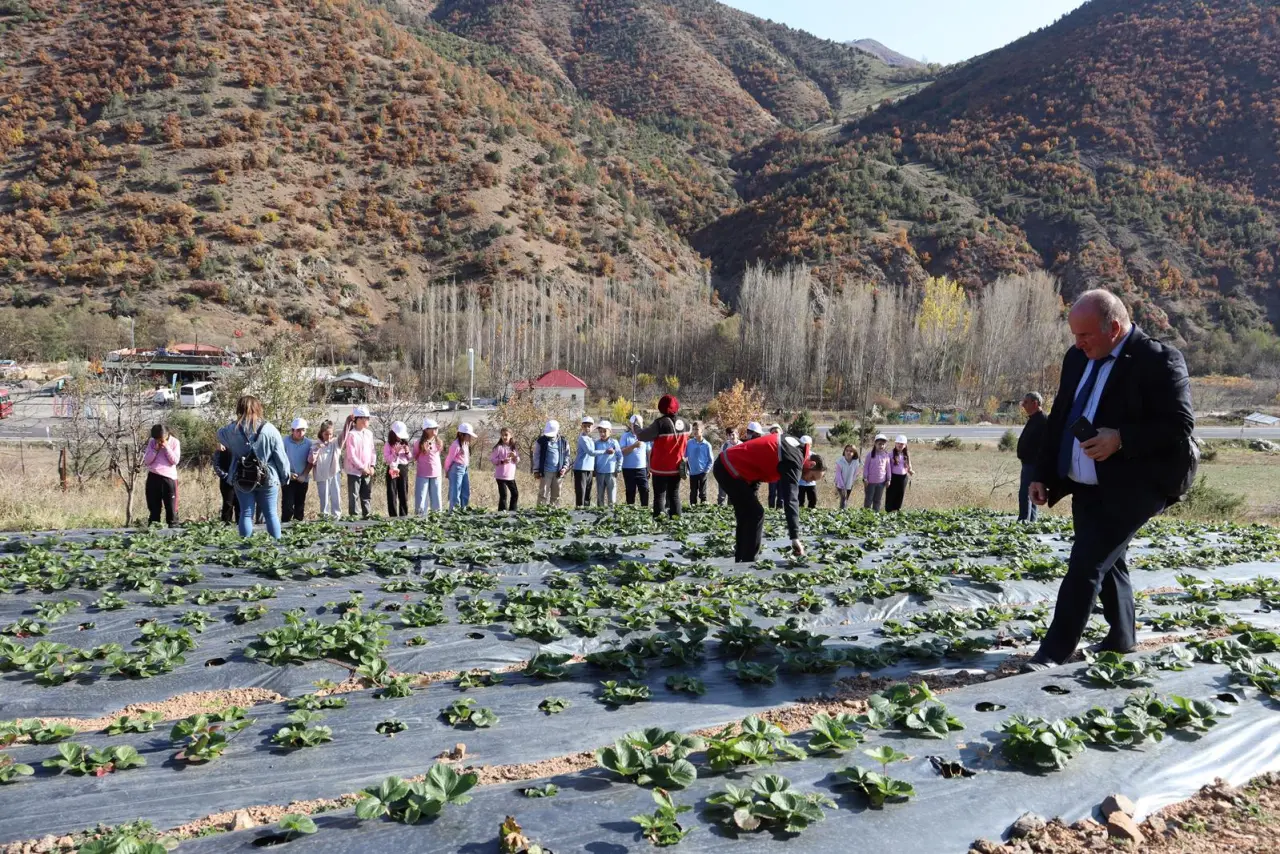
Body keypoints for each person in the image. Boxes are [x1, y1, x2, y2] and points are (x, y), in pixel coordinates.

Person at [1022, 290, 1196, 673]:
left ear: (1114, 328)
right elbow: (1061, 416)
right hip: (1086, 484)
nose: (1078, 343)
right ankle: (1122, 636)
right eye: (1074, 335)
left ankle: (1054, 652)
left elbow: (1180, 425)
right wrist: (1043, 475)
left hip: (1135, 486)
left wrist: (1121, 437)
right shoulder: (1076, 359)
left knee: (1086, 563)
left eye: (1085, 336)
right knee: (1110, 562)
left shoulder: (1158, 360)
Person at [713, 431, 826, 562]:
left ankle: (741, 559)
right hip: (728, 469)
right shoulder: (794, 460)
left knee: (746, 515)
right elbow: (791, 498)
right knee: (756, 513)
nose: (808, 481)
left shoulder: (793, 445)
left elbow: (760, 466)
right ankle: (748, 563)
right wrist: (794, 537)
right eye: (811, 477)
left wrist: (753, 492)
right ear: (811, 464)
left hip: (728, 467)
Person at [217, 394, 290, 539]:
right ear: (258, 408)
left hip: (242, 476)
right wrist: (284, 477)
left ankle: (246, 549)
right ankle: (277, 548)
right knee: (271, 514)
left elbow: (219, 434)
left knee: (246, 513)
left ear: (239, 409)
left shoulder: (231, 430)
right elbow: (281, 457)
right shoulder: (270, 429)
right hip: (268, 476)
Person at [631, 394, 690, 519]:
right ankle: (676, 520)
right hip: (677, 466)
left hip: (660, 467)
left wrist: (636, 426)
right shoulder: (686, 423)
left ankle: (659, 521)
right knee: (674, 494)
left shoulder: (660, 423)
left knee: (659, 495)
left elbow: (642, 436)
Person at [1016, 392, 1048, 523]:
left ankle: (1024, 520)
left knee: (1026, 493)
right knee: (1029, 492)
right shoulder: (1033, 419)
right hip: (1027, 463)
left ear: (1035, 403)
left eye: (1026, 402)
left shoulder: (1043, 420)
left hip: (1034, 463)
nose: (1023, 405)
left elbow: (1045, 444)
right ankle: (1030, 521)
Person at [341, 406, 376, 519]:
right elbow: (351, 456)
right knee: (354, 495)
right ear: (359, 419)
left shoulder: (369, 434)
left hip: (367, 470)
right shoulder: (352, 434)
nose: (368, 421)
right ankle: (354, 518)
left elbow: (372, 451)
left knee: (366, 495)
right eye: (366, 418)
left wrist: (372, 466)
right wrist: (362, 468)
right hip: (354, 471)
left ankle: (367, 516)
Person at [143, 423, 180, 527]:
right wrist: (155, 449)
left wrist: (167, 448)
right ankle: (154, 528)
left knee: (171, 508)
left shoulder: (174, 442)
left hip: (169, 478)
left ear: (167, 434)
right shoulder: (152, 442)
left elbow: (175, 461)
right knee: (154, 507)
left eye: (161, 439)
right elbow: (147, 461)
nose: (159, 441)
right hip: (154, 476)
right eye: (157, 439)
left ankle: (173, 528)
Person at [308, 420, 342, 520]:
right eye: (326, 434)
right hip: (322, 475)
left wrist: (349, 421)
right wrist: (317, 449)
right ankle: (324, 517)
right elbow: (311, 461)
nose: (328, 436)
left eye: (330, 434)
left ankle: (337, 517)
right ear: (321, 433)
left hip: (334, 473)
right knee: (324, 497)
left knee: (336, 495)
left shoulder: (335, 443)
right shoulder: (316, 444)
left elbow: (344, 435)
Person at [281, 418, 313, 523]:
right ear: (292, 430)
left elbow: (311, 461)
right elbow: (280, 459)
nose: (301, 433)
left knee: (300, 507)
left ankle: (297, 531)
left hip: (302, 479)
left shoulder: (309, 443)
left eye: (303, 430)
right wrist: (288, 473)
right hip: (288, 479)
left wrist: (304, 475)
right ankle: (284, 530)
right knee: (287, 507)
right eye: (298, 430)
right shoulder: (284, 442)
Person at [532, 420, 570, 506]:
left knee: (556, 495)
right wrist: (536, 470)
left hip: (558, 472)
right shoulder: (541, 441)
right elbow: (536, 456)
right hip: (545, 472)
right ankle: (541, 512)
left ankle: (554, 513)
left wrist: (564, 468)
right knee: (543, 494)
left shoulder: (564, 442)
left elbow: (567, 456)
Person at [619, 414, 652, 506]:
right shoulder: (625, 436)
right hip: (628, 469)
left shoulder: (645, 437)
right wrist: (634, 446)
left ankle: (644, 510)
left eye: (639, 424)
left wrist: (649, 467)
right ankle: (630, 512)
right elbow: (623, 452)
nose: (637, 426)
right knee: (630, 491)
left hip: (642, 468)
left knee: (645, 489)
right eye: (635, 424)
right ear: (631, 425)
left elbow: (649, 452)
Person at [572, 416, 604, 508]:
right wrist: (605, 451)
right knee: (581, 491)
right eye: (585, 426)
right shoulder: (582, 438)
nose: (587, 428)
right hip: (581, 468)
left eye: (589, 426)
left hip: (589, 468)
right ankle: (579, 511)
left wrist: (593, 468)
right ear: (582, 426)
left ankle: (586, 511)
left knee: (588, 491)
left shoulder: (589, 438)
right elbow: (590, 452)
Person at [383, 421, 412, 517]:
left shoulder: (404, 442)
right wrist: (395, 452)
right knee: (392, 492)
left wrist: (407, 452)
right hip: (393, 467)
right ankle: (393, 516)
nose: (400, 437)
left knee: (403, 492)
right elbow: (388, 459)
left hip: (403, 468)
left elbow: (409, 458)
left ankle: (404, 515)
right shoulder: (388, 444)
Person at [414, 418, 443, 515]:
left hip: (436, 473)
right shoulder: (418, 443)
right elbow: (415, 456)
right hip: (423, 473)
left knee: (436, 497)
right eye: (433, 428)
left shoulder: (439, 442)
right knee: (421, 497)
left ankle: (437, 516)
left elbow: (438, 452)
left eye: (436, 428)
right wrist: (424, 451)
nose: (435, 430)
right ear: (426, 430)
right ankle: (420, 517)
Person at [444, 423, 475, 510]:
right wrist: (447, 470)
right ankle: (454, 512)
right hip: (456, 468)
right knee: (456, 491)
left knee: (465, 491)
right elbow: (449, 459)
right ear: (461, 434)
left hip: (464, 468)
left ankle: (463, 509)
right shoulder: (455, 445)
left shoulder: (465, 443)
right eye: (468, 435)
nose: (470, 438)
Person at [491, 427, 521, 511]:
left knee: (515, 494)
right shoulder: (498, 447)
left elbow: (517, 460)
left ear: (511, 436)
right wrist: (502, 461)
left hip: (510, 476)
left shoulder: (513, 448)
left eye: (506, 435)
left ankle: (512, 512)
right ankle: (501, 514)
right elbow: (493, 459)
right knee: (503, 495)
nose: (504, 437)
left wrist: (514, 456)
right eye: (502, 435)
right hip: (500, 476)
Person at [594, 420, 622, 507]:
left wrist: (618, 468)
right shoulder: (596, 443)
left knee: (612, 497)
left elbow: (620, 456)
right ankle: (599, 515)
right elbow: (594, 456)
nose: (602, 433)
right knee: (600, 496)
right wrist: (594, 469)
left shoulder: (614, 442)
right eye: (600, 431)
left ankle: (611, 515)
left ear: (610, 431)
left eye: (604, 431)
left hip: (611, 472)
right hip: (599, 472)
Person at [686, 421, 713, 506]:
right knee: (693, 492)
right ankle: (692, 510)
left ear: (702, 431)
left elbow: (710, 460)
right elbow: (684, 456)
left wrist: (706, 471)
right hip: (692, 472)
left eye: (697, 429)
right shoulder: (689, 443)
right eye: (693, 429)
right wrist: (686, 469)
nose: (695, 431)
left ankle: (703, 510)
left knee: (702, 493)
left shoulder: (707, 445)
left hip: (702, 472)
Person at [885, 435, 914, 512]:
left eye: (902, 444)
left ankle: (897, 510)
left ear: (905, 445)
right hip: (893, 477)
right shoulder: (890, 454)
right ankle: (889, 510)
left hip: (903, 478)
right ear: (895, 444)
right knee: (891, 494)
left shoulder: (906, 454)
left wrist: (910, 470)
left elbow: (909, 465)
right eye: (898, 443)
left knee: (900, 494)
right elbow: (888, 467)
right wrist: (888, 478)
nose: (900, 445)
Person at [212, 442, 239, 524]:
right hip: (226, 481)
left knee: (240, 505)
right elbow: (216, 464)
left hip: (240, 481)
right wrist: (225, 476)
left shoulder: (242, 445)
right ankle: (225, 528)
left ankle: (241, 529)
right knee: (228, 504)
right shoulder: (222, 447)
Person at [863, 434, 891, 510]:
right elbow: (865, 468)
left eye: (883, 444)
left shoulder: (886, 456)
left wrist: (888, 480)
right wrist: (865, 478)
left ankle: (875, 517)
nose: (881, 446)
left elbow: (888, 469)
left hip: (881, 483)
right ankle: (866, 516)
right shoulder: (870, 455)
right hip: (870, 483)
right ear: (875, 444)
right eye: (879, 444)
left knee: (877, 500)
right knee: (868, 500)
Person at [716, 427, 742, 505]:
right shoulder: (725, 446)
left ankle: (730, 512)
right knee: (722, 495)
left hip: (736, 474)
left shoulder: (741, 445)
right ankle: (721, 511)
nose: (731, 437)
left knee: (733, 495)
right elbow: (720, 458)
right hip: (725, 473)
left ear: (737, 435)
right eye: (729, 435)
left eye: (733, 434)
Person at [834, 444, 861, 510]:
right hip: (840, 484)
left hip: (849, 484)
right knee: (843, 498)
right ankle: (842, 512)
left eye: (851, 451)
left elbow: (855, 474)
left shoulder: (856, 462)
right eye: (847, 450)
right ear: (844, 451)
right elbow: (838, 475)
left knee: (846, 499)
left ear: (854, 453)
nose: (848, 452)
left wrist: (851, 483)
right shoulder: (839, 461)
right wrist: (842, 486)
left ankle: (844, 512)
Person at [797, 435, 818, 508]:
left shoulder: (814, 455)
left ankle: (811, 516)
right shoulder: (797, 455)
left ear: (811, 445)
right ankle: (800, 516)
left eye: (808, 445)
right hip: (799, 483)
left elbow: (818, 469)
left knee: (813, 500)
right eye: (803, 444)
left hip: (811, 483)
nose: (805, 447)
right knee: (799, 501)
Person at [766, 424, 784, 509]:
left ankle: (780, 511)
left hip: (782, 473)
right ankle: (771, 510)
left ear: (781, 432)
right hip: (772, 473)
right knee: (772, 493)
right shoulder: (768, 445)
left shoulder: (785, 443)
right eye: (772, 433)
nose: (775, 434)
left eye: (776, 431)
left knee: (781, 494)